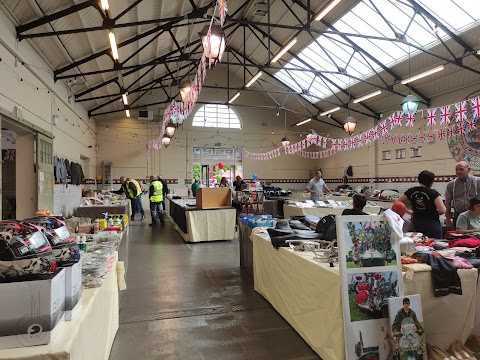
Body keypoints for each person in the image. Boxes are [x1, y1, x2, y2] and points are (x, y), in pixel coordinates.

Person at [397, 170, 446, 238]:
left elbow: (397, 202)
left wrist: (409, 212)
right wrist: (430, 212)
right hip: (432, 225)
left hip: (416, 224)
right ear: (431, 182)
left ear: (419, 179)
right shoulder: (434, 193)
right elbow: (442, 210)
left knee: (416, 245)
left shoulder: (411, 191)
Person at [445, 161, 480, 229]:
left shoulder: (478, 181)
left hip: (476, 216)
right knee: (459, 237)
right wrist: (448, 219)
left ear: (468, 170)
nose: (458, 171)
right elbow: (447, 203)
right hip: (458, 215)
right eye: (457, 169)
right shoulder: (451, 184)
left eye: (461, 169)